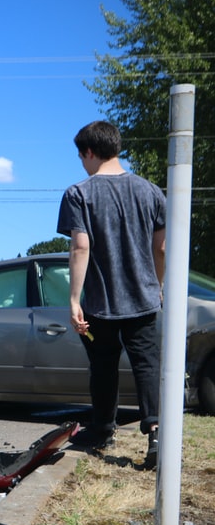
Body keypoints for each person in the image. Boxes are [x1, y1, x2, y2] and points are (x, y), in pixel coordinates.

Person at [56, 120, 166, 468]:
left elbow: (80, 247)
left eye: (81, 157)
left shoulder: (79, 193)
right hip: (144, 298)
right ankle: (156, 435)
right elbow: (161, 248)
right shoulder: (151, 191)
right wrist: (157, 286)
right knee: (147, 365)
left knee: (103, 366)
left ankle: (103, 429)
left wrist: (74, 299)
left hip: (100, 304)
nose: (82, 164)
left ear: (90, 152)